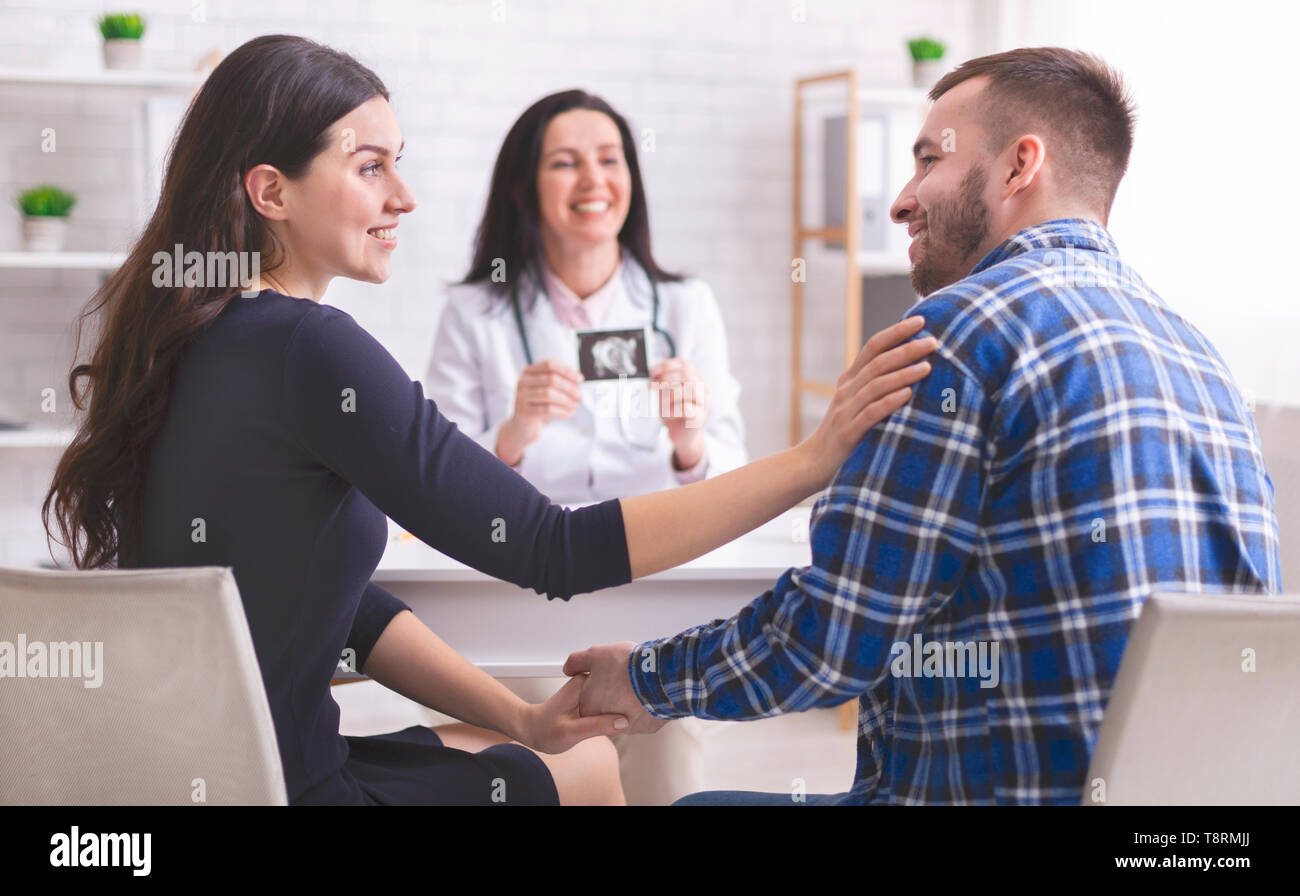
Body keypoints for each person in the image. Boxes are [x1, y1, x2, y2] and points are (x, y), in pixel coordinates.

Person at [40, 35, 936, 806]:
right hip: (291, 787)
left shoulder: (197, 338)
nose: (405, 196)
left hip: (219, 775)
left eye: (400, 160)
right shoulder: (312, 350)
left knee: (554, 743)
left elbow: (343, 608)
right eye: (370, 167)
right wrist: (816, 458)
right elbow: (554, 550)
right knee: (591, 767)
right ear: (271, 192)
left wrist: (516, 716)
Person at [566, 47, 1283, 805]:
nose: (901, 202)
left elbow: (832, 640)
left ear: (1019, 166)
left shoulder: (955, 332)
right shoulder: (1204, 358)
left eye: (927, 161)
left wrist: (643, 680)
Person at [425, 90, 747, 503]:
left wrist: (690, 443)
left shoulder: (687, 305)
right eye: (565, 163)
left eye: (610, 160)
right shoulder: (471, 313)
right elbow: (441, 483)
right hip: (524, 554)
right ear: (522, 189)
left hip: (661, 553)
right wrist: (513, 434)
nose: (594, 180)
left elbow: (735, 475)